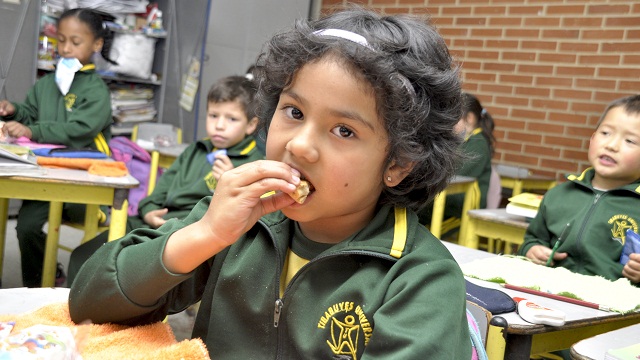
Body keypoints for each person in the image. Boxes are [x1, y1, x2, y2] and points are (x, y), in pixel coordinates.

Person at [69, 8, 473, 359]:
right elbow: (88, 301)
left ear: (398, 164)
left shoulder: (420, 279)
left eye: (344, 131)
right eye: (293, 111)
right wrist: (204, 235)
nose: (299, 145)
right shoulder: (237, 223)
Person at [67, 75, 264, 285]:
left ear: (251, 125)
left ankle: (106, 312)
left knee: (129, 271)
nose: (220, 125)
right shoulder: (195, 150)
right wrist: (149, 211)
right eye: (213, 115)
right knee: (85, 255)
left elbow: (244, 216)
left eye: (231, 119)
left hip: (187, 231)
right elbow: (160, 190)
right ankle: (69, 312)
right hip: (155, 222)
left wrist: (230, 182)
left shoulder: (253, 163)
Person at [0, 8, 115, 287]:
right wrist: (14, 111)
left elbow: (79, 130)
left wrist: (32, 130)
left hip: (83, 182)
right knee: (25, 227)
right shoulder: (47, 83)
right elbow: (30, 112)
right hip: (45, 175)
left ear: (96, 45)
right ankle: (37, 286)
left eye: (75, 42)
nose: (65, 48)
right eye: (60, 40)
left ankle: (74, 284)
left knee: (78, 229)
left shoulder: (96, 90)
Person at [519, 94, 640, 284]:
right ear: (592, 138)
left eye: (630, 141)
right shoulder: (559, 195)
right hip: (551, 293)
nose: (611, 145)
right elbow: (532, 239)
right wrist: (532, 250)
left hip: (613, 307)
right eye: (605, 133)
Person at [418, 93, 495, 227]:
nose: (450, 123)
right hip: (455, 197)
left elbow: (454, 172)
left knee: (418, 206)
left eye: (454, 118)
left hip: (464, 202)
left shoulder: (478, 143)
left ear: (469, 118)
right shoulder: (468, 140)